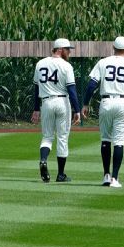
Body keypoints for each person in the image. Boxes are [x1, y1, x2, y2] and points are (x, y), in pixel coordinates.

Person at [84, 36, 124, 188]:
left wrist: (85, 103)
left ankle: (106, 175)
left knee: (105, 139)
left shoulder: (103, 62)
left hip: (106, 101)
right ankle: (114, 179)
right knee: (119, 142)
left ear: (113, 47)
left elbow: (91, 85)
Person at [31, 38, 82, 182]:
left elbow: (36, 88)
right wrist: (77, 110)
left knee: (47, 137)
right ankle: (61, 174)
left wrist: (36, 109)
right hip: (62, 102)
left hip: (46, 102)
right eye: (68, 49)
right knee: (62, 138)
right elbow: (72, 90)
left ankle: (43, 160)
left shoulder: (40, 64)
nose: (69, 52)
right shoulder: (66, 66)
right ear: (60, 49)